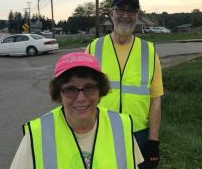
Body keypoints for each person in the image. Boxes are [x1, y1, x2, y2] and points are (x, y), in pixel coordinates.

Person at [10, 52, 144, 169]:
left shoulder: (120, 126)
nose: (81, 98)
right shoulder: (37, 134)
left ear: (100, 90)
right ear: (59, 93)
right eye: (70, 89)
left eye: (89, 87)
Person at [87, 0, 163, 168]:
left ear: (137, 15)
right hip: (102, 131)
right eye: (120, 10)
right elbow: (82, 94)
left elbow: (155, 99)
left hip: (139, 135)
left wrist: (153, 140)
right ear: (111, 13)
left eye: (132, 11)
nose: (126, 16)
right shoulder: (94, 48)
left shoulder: (149, 51)